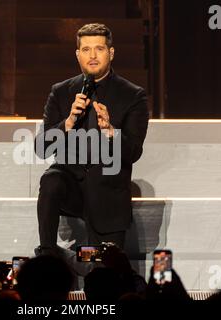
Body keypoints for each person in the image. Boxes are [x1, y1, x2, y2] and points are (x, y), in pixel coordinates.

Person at [35, 23, 149, 256]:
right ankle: (46, 251)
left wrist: (110, 131)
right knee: (51, 180)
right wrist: (67, 123)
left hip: (107, 195)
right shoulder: (61, 91)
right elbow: (41, 148)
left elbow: (134, 152)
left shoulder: (133, 95)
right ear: (78, 55)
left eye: (99, 49)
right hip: (70, 190)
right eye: (86, 50)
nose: (93, 56)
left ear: (111, 52)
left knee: (101, 275)